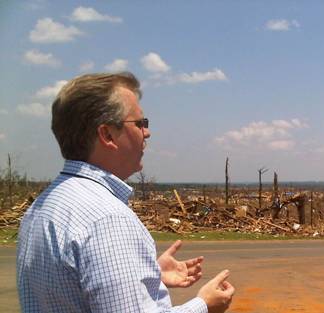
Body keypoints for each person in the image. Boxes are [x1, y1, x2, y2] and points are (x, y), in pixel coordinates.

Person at [16, 72, 235, 313]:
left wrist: (148, 274)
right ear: (108, 134)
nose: (147, 132)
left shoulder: (45, 205)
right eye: (140, 123)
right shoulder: (108, 219)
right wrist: (204, 305)